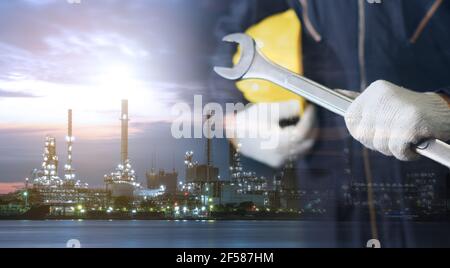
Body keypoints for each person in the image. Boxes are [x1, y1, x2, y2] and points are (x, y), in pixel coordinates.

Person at [211, 0, 450, 247]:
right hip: (330, 203)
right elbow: (228, 32)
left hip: (433, 209)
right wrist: (234, 120)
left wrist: (445, 107)